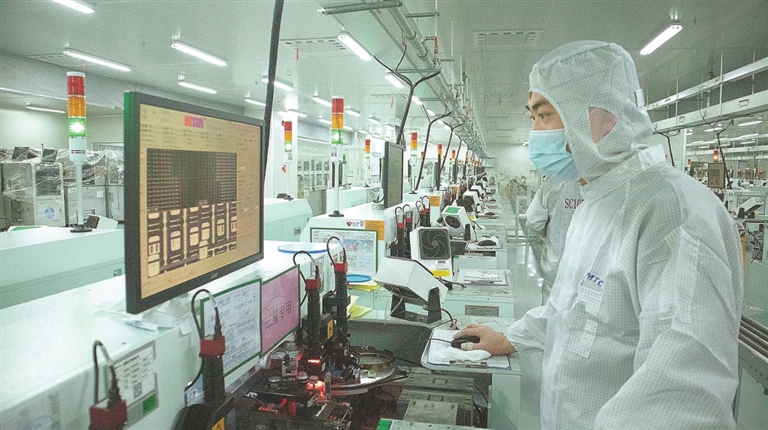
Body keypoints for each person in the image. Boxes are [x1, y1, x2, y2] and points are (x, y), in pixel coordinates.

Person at [457, 41, 743, 429]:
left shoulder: (673, 212)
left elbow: (682, 393)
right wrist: (511, 337)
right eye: (533, 117)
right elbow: (568, 310)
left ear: (599, 118)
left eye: (545, 116)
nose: (535, 132)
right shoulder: (596, 202)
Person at [524, 177, 583, 304]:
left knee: (551, 309)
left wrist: (546, 231)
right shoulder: (603, 182)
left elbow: (533, 222)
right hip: (589, 271)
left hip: (556, 263)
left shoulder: (553, 182)